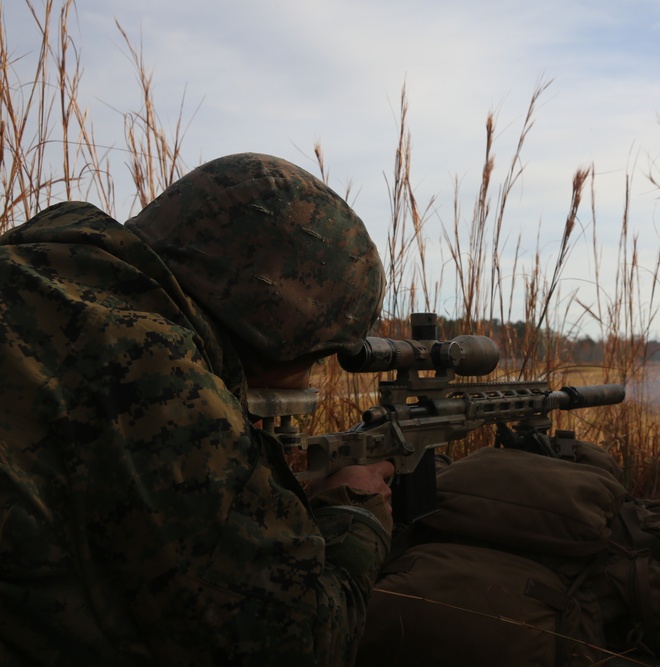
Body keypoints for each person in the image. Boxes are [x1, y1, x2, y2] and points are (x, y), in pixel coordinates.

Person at [0, 153, 394, 665]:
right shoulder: (154, 371)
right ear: (274, 333)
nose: (308, 376)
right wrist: (356, 516)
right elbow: (292, 643)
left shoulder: (39, 274)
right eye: (313, 359)